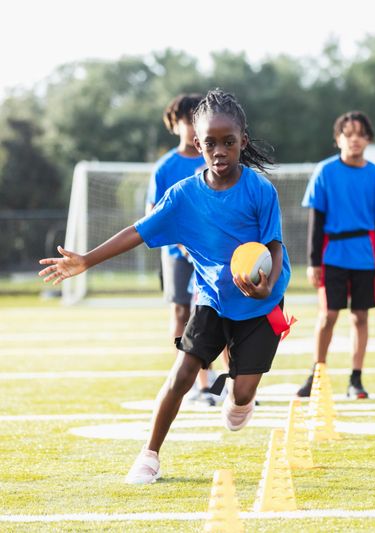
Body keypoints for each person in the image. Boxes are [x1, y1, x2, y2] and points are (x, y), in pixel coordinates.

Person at [39, 89, 293, 483]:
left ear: (243, 141)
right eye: (211, 143)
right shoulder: (183, 196)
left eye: (229, 142)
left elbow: (274, 245)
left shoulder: (260, 190)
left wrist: (267, 285)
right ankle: (149, 455)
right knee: (182, 373)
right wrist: (87, 259)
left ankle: (238, 400)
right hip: (211, 298)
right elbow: (137, 231)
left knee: (242, 396)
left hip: (263, 303)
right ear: (198, 143)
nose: (220, 151)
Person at [296, 111, 375, 399]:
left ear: (368, 139)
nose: (354, 139)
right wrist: (314, 261)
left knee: (360, 317)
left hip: (365, 255)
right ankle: (317, 374)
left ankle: (356, 379)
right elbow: (316, 218)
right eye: (347, 134)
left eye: (360, 134)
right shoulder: (325, 172)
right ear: (337, 139)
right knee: (327, 315)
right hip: (332, 256)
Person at [146, 93, 220, 406]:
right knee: (181, 312)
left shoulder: (215, 159)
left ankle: (225, 383)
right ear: (174, 125)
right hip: (178, 256)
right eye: (186, 121)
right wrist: (181, 241)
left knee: (219, 312)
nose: (191, 128)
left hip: (214, 254)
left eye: (196, 120)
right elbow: (153, 216)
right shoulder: (165, 168)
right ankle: (194, 383)